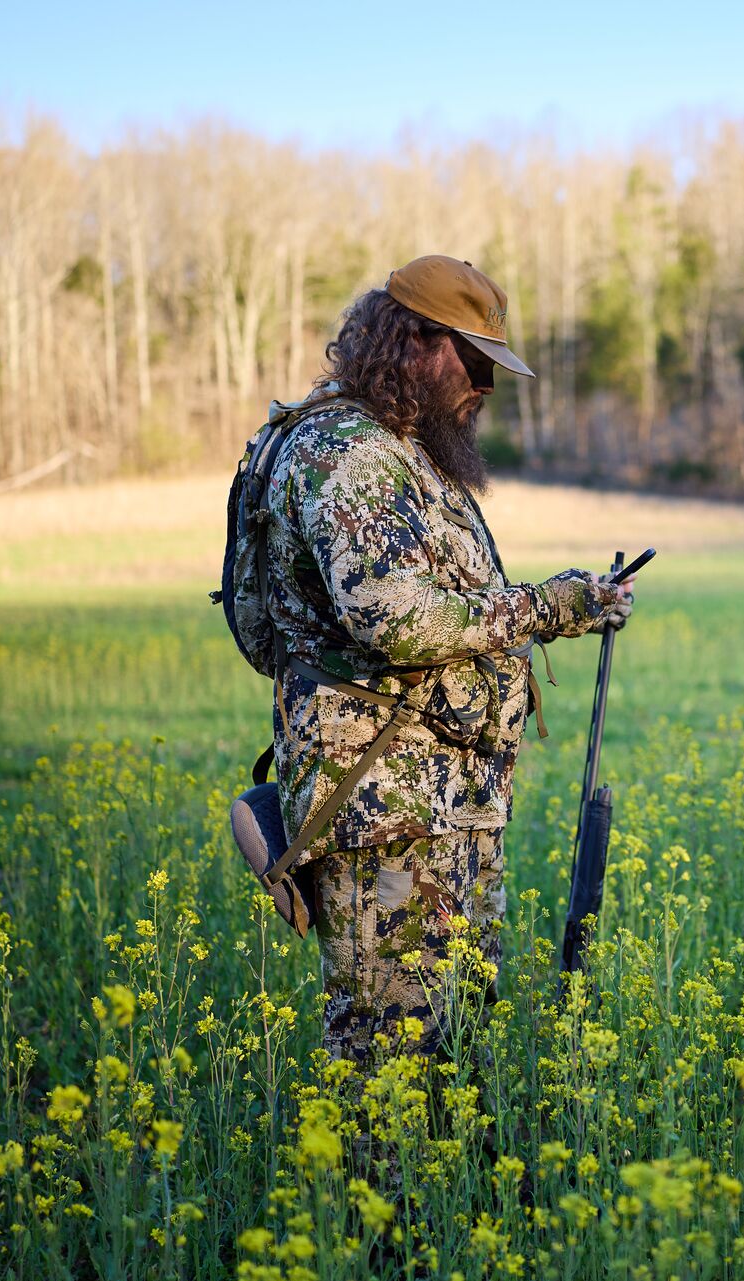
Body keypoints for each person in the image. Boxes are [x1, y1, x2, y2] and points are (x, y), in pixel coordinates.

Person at [261, 254, 633, 1064]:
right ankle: (373, 1195)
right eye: (473, 361)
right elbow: (393, 617)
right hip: (386, 809)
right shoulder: (349, 454)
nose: (485, 388)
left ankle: (445, 1191)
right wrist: (550, 607)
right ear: (415, 343)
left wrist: (583, 600)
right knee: (387, 1059)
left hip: (443, 806)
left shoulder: (406, 452)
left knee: (452, 1049)